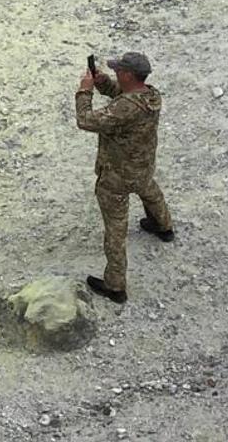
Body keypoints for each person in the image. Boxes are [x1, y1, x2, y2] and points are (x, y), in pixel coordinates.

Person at [74, 51, 175, 303]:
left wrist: (85, 91)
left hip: (117, 176)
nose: (117, 72)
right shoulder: (150, 94)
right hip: (141, 166)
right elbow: (124, 97)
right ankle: (164, 227)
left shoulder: (124, 108)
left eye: (119, 71)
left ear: (129, 75)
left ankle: (115, 285)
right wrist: (104, 83)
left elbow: (85, 120)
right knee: (150, 190)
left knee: (116, 230)